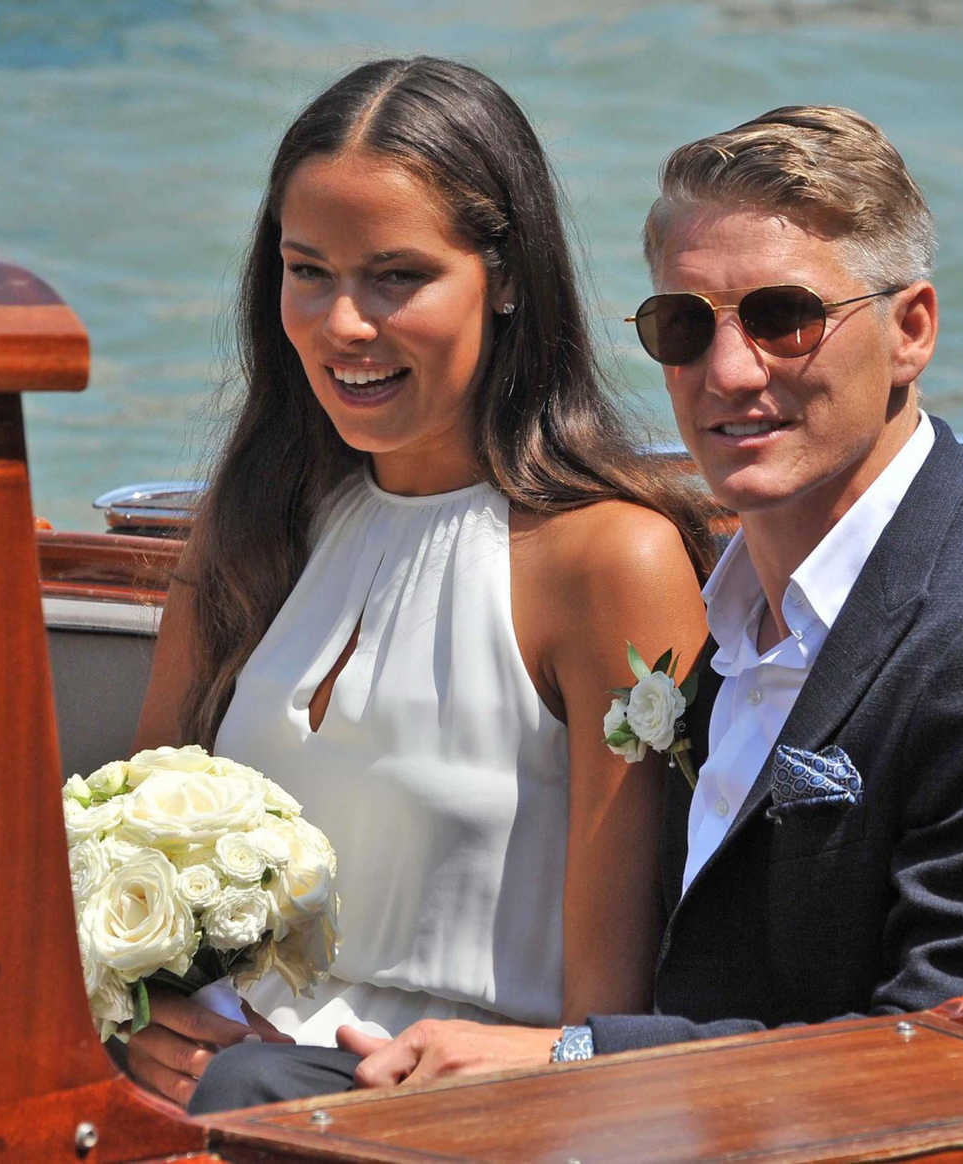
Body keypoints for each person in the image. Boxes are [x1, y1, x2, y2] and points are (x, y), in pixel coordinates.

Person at [338, 104, 963, 1087]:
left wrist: (566, 1060)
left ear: (909, 331)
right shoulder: (731, 608)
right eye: (684, 326)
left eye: (785, 319)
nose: (729, 371)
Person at [122, 57, 715, 1108]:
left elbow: (605, 1015)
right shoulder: (250, 528)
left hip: (462, 1113)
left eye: (396, 276)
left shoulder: (609, 561)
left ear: (509, 279)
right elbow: (126, 868)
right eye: (308, 270)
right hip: (222, 1093)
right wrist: (139, 1020)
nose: (344, 323)